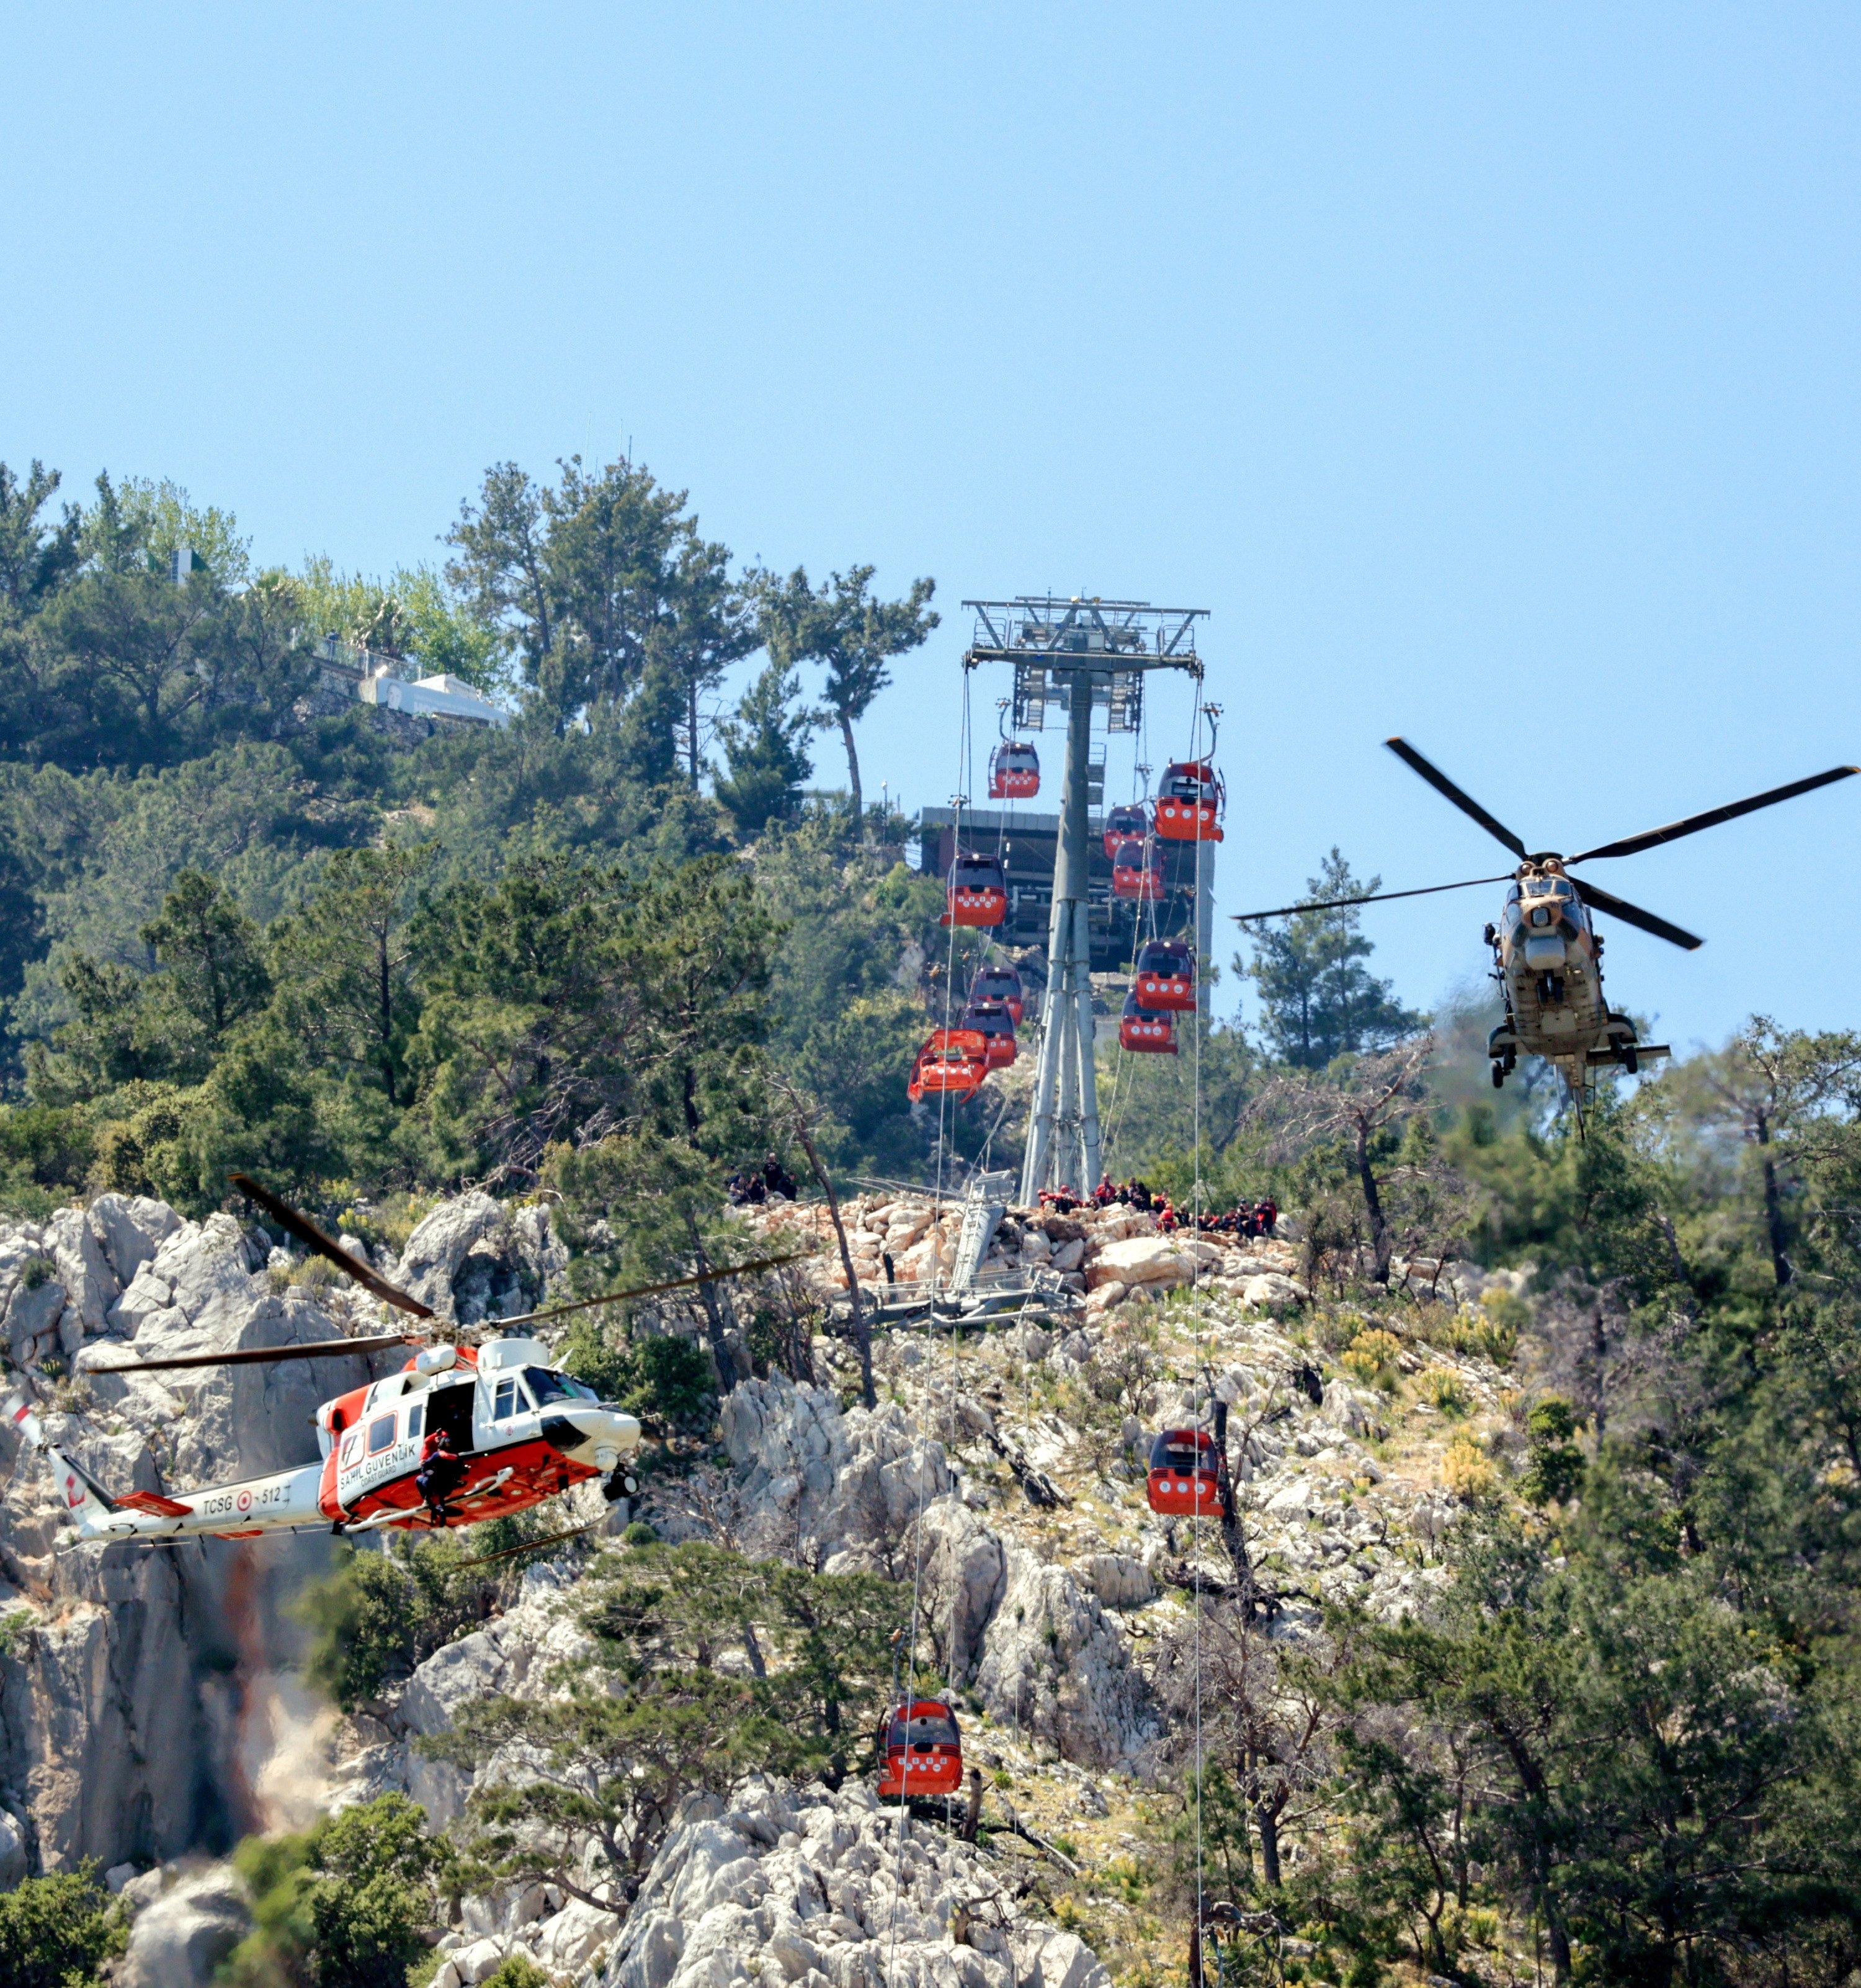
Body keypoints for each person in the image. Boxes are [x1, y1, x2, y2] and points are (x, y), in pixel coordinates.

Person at [416, 1426, 466, 1525]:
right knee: (439, 1492)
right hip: (447, 1487)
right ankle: (438, 1508)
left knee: (420, 1480)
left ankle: (428, 1501)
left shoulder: (437, 1455)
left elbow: (426, 1467)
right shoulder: (455, 1456)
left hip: (435, 1484)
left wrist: (430, 1472)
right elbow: (464, 1470)